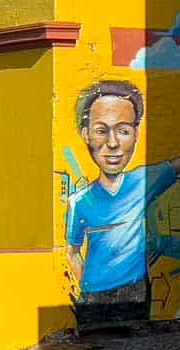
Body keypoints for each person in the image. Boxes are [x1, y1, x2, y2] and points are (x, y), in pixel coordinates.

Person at [66, 81, 180, 325]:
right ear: (85, 134)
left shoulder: (144, 180)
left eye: (124, 130)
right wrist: (87, 284)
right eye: (101, 130)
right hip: (94, 296)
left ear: (136, 134)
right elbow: (72, 252)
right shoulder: (79, 201)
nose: (113, 143)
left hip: (134, 289)